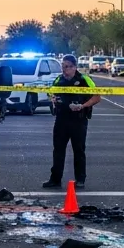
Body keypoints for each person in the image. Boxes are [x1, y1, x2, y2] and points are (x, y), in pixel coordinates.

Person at [42, 54, 101, 190]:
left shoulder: (84, 79)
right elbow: (50, 93)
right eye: (63, 67)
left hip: (78, 119)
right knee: (58, 150)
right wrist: (53, 99)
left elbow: (97, 97)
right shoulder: (58, 79)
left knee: (79, 150)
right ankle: (55, 179)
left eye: (68, 67)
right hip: (61, 119)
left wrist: (83, 106)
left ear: (75, 67)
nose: (65, 70)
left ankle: (80, 179)